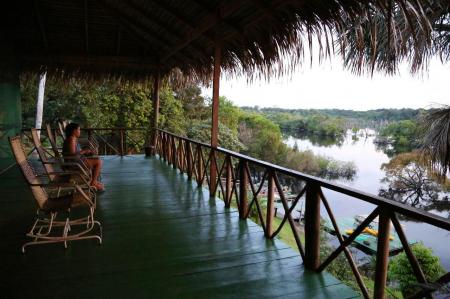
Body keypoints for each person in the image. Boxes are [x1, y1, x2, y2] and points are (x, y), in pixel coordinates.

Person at [63, 123, 104, 191]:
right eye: (79, 130)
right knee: (98, 161)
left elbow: (76, 152)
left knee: (96, 159)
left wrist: (87, 152)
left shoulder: (73, 139)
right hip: (74, 164)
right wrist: (84, 152)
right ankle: (93, 182)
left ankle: (94, 181)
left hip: (77, 161)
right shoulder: (71, 139)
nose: (80, 131)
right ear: (74, 131)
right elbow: (72, 154)